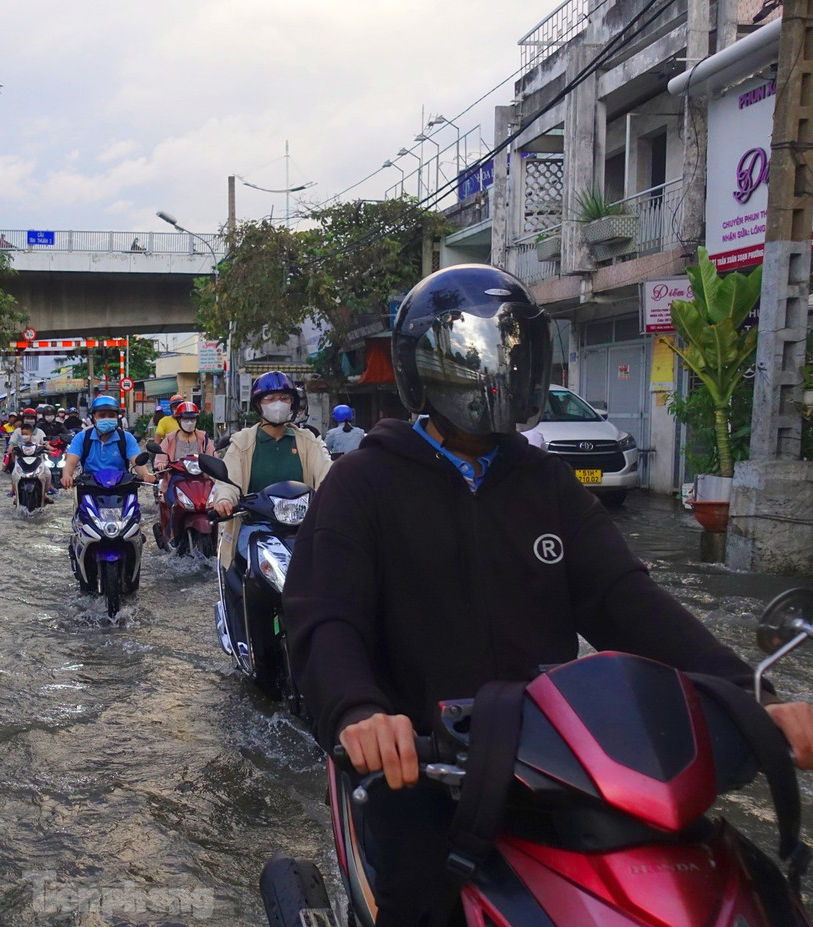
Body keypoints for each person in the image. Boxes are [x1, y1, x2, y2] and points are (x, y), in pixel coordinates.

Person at [281, 264, 813, 927]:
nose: (500, 373)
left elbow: (627, 602)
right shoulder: (363, 483)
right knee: (420, 902)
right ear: (427, 366)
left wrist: (752, 698)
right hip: (424, 768)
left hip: (557, 767)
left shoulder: (548, 484)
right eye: (479, 353)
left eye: (514, 351)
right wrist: (361, 711)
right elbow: (325, 617)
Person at [211, 372, 331, 651]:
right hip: (255, 527)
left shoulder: (308, 441)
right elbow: (228, 481)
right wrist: (225, 500)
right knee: (253, 577)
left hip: (302, 528)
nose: (278, 403)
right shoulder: (243, 442)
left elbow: (328, 476)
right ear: (258, 405)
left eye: (284, 398)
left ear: (293, 404)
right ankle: (249, 636)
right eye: (270, 398)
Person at [154, 400, 217, 548]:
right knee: (173, 502)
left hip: (202, 480)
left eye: (193, 419)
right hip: (177, 479)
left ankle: (215, 543)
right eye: (186, 419)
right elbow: (160, 458)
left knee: (214, 506)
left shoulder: (204, 438)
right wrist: (161, 464)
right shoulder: (170, 438)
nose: (190, 422)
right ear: (178, 419)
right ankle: (172, 536)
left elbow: (213, 456)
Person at [60, 395, 149, 489]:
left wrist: (146, 475)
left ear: (117, 418)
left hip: (121, 488)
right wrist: (66, 475)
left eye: (111, 416)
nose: (106, 419)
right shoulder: (82, 438)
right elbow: (70, 461)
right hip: (89, 488)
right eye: (102, 416)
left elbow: (136, 460)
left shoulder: (126, 438)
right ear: (93, 418)